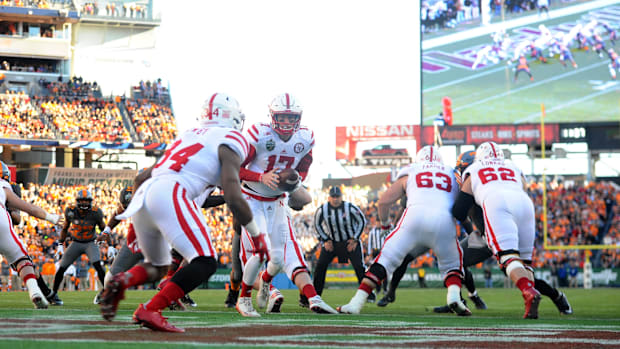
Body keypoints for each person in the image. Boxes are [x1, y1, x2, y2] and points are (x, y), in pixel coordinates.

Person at [99, 92, 269, 332]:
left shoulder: (188, 136)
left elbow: (140, 178)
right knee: (205, 262)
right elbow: (232, 194)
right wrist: (257, 234)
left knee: (158, 266)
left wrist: (135, 221)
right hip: (173, 192)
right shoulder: (232, 138)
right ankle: (150, 309)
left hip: (147, 193)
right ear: (230, 116)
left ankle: (122, 280)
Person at [338, 145, 471, 316]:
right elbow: (464, 203)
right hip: (444, 221)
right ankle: (454, 296)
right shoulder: (453, 173)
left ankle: (356, 303)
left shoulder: (412, 170)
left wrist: (385, 225)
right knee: (452, 264)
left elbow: (384, 202)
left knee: (384, 260)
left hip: (413, 218)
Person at [237, 93, 337, 316]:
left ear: (298, 119)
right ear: (273, 116)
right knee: (257, 253)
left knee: (281, 257)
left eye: (291, 118)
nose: (286, 123)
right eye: (282, 117)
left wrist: (294, 183)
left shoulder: (305, 138)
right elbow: (235, 168)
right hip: (251, 199)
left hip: (278, 202)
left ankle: (274, 285)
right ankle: (244, 299)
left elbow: (303, 168)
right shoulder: (259, 134)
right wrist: (261, 177)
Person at [452, 141, 540, 319]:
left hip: (497, 202)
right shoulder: (513, 166)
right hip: (524, 204)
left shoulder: (475, 168)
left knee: (507, 257)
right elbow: (524, 187)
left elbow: (460, 209)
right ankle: (529, 302)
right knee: (525, 263)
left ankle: (528, 291)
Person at [0, 161, 64, 308]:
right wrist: (51, 217)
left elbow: (17, 218)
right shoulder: (5, 186)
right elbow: (27, 210)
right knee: (22, 259)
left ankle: (46, 292)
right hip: (1, 222)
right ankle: (35, 292)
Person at [48, 189, 106, 305]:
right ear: (77, 201)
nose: (84, 203)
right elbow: (64, 228)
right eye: (82, 200)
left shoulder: (96, 212)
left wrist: (107, 243)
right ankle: (53, 294)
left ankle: (106, 292)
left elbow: (104, 229)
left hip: (90, 242)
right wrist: (60, 243)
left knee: (98, 266)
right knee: (62, 268)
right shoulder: (70, 210)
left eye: (86, 201)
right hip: (76, 242)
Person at [311, 186, 367, 301]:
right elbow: (317, 224)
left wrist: (355, 238)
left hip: (349, 242)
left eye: (337, 197)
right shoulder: (323, 209)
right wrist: (325, 240)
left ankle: (367, 294)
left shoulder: (350, 208)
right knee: (320, 266)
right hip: (332, 243)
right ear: (329, 197)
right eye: (333, 197)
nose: (335, 199)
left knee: (359, 267)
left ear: (341, 197)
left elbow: (362, 221)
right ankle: (315, 295)